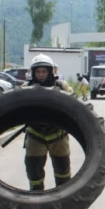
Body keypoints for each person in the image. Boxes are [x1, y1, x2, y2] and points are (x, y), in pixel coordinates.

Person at [23, 54, 73, 191]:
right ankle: (36, 198)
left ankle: (63, 199)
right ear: (33, 73)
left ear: (50, 72)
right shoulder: (25, 88)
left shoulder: (62, 87)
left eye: (44, 71)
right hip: (35, 134)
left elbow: (75, 107)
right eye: (38, 72)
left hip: (58, 134)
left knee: (63, 170)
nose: (41, 75)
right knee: (34, 171)